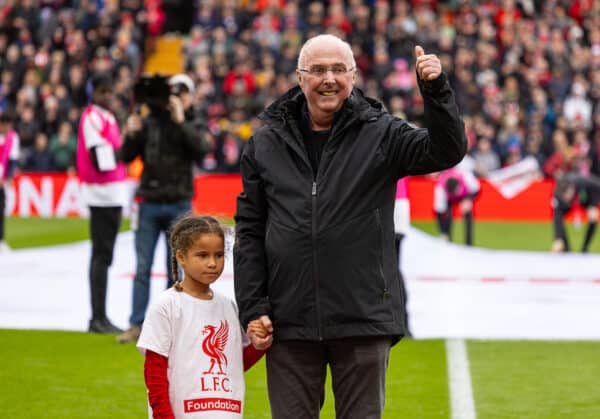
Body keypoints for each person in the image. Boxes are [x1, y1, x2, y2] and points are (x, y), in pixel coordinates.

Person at [234, 34, 466, 418]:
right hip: (289, 320)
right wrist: (253, 306)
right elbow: (250, 230)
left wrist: (436, 90)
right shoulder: (265, 143)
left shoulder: (383, 133)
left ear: (353, 76)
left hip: (362, 317)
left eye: (338, 69)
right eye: (319, 70)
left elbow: (446, 150)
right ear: (300, 77)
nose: (329, 78)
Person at [136, 214, 271, 418]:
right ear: (181, 257)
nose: (212, 263)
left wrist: (259, 346)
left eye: (218, 255)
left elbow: (232, 364)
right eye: (202, 255)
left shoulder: (229, 307)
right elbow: (155, 371)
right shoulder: (167, 306)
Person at [117, 75, 211, 343]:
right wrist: (131, 132)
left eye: (182, 93)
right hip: (149, 201)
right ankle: (136, 324)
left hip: (179, 203)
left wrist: (181, 121)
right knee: (143, 267)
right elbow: (124, 156)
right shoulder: (148, 122)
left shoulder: (192, 122)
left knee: (176, 269)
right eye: (174, 93)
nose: (176, 98)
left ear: (190, 97)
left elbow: (202, 150)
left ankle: (173, 327)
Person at [76, 74, 128, 334]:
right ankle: (97, 317)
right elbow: (102, 160)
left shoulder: (105, 117)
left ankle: (100, 315)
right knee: (101, 254)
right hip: (102, 194)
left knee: (104, 255)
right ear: (94, 92)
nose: (108, 96)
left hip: (112, 192)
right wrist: (125, 151)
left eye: (111, 91)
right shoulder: (93, 118)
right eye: (103, 91)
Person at [551, 173, 600, 253]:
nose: (566, 198)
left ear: (571, 188)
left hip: (587, 197)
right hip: (569, 203)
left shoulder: (584, 182)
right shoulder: (558, 195)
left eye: (567, 195)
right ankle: (567, 249)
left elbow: (597, 188)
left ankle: (584, 248)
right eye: (564, 196)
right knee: (559, 238)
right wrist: (558, 238)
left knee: (593, 216)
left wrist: (593, 205)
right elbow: (557, 218)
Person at [434, 164, 480, 246]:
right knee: (448, 217)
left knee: (468, 214)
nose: (456, 194)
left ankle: (469, 245)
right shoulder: (440, 189)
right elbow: (439, 212)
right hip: (448, 200)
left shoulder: (466, 176)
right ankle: (447, 242)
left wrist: (469, 200)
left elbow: (477, 190)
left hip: (465, 196)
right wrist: (443, 232)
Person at [394, 177, 411, 337]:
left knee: (391, 270)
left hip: (392, 206)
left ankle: (402, 322)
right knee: (394, 269)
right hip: (400, 205)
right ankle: (403, 322)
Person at [0, 111, 20, 252]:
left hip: (1, 178)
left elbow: (12, 160)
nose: (6, 128)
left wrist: (8, 178)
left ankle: (1, 240)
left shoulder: (13, 138)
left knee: (1, 208)